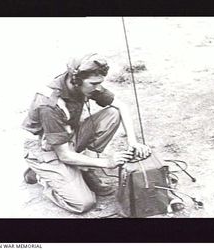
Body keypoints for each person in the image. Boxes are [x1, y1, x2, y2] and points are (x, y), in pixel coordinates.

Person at [22, 53, 151, 214]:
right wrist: (107, 162)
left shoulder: (85, 83)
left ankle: (83, 169)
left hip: (67, 138)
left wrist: (133, 142)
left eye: (100, 83)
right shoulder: (49, 104)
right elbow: (65, 155)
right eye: (94, 84)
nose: (98, 88)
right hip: (46, 150)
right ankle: (42, 174)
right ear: (76, 81)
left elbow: (121, 107)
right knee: (83, 203)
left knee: (112, 114)